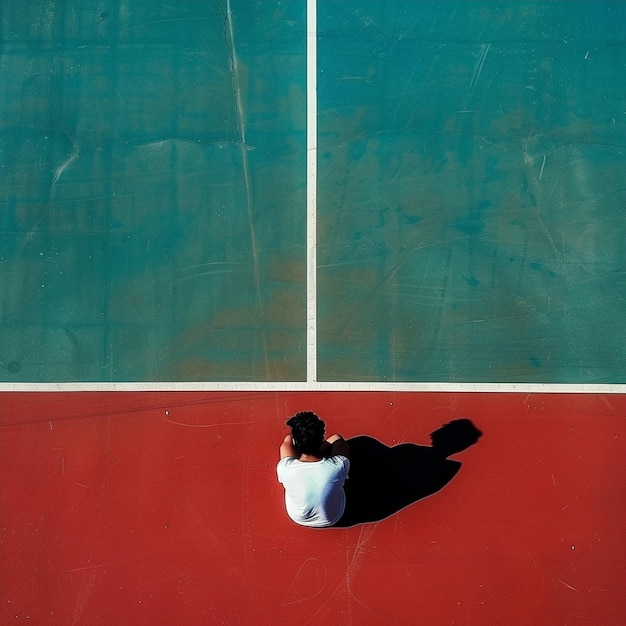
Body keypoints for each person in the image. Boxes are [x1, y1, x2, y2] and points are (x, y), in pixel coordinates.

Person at [277, 411, 350, 528]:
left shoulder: (284, 468)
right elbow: (337, 441)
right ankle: (313, 449)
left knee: (286, 440)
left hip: (297, 517)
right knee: (337, 438)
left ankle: (307, 449)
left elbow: (288, 441)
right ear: (321, 439)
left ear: (297, 442)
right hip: (331, 518)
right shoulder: (339, 466)